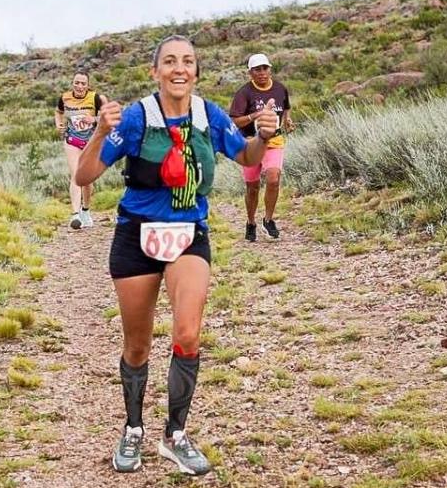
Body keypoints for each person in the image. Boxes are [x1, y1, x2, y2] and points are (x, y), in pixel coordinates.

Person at [75, 35, 278, 476]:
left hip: (189, 233)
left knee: (187, 333)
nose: (178, 68)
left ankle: (176, 435)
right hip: (136, 235)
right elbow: (85, 173)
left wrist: (262, 138)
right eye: (169, 61)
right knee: (137, 344)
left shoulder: (209, 115)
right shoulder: (134, 118)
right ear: (155, 71)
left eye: (187, 61)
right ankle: (133, 428)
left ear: (197, 71)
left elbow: (244, 153)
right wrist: (100, 132)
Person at [228, 53, 294, 242]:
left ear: (270, 69)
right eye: (257, 69)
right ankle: (251, 222)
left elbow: (286, 107)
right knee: (252, 187)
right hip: (250, 143)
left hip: (274, 141)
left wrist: (287, 120)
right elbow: (235, 121)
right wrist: (255, 115)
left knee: (273, 178)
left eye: (265, 68)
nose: (262, 73)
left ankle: (268, 219)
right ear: (250, 73)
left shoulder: (280, 89)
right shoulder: (244, 93)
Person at [55, 70, 107, 229]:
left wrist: (94, 119)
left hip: (91, 143)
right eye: (76, 82)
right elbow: (58, 111)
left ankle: (85, 210)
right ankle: (75, 215)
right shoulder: (65, 97)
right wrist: (58, 123)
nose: (79, 86)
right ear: (72, 83)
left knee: (87, 179)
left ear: (88, 85)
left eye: (83, 83)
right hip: (72, 141)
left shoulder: (95, 98)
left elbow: (108, 116)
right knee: (76, 174)